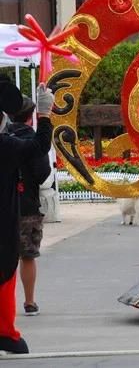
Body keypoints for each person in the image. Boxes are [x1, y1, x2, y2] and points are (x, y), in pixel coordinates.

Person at [0, 78, 54, 354]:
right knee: (7, 271)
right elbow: (39, 147)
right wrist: (44, 115)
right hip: (7, 219)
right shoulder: (6, 146)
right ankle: (5, 331)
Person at [7, 97, 51, 317]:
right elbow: (44, 173)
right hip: (28, 205)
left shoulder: (5, 138)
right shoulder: (32, 141)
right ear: (30, 117)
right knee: (28, 256)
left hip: (5, 205)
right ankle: (29, 301)